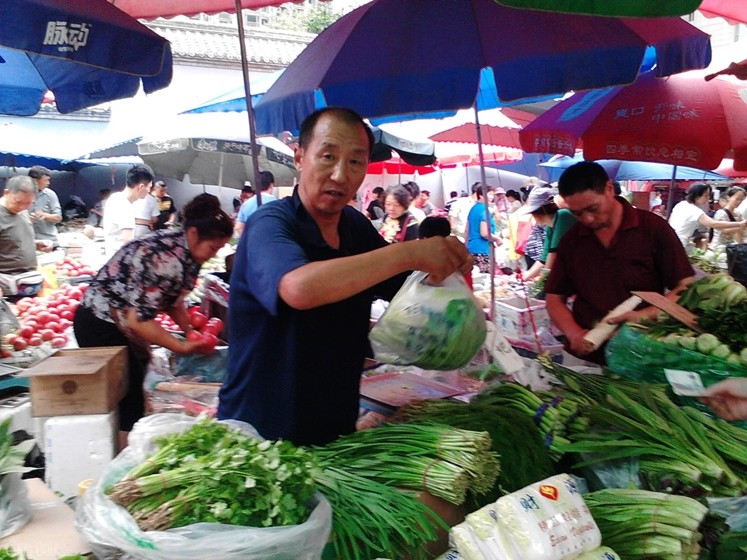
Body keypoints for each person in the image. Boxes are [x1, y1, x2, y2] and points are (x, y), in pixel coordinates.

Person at [218, 107, 472, 446]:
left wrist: (445, 269)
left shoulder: (354, 226)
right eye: (327, 156)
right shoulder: (271, 224)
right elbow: (298, 287)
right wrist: (410, 252)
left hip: (334, 427)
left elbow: (405, 288)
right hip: (261, 434)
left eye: (355, 162)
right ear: (299, 157)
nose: (340, 175)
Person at [74, 193, 233, 450]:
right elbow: (139, 321)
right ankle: (124, 461)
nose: (213, 253)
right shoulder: (167, 259)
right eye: (213, 248)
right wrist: (180, 346)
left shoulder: (186, 253)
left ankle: (126, 445)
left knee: (135, 385)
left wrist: (190, 330)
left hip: (120, 320)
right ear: (193, 233)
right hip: (100, 322)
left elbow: (173, 301)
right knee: (131, 396)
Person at [545, 161, 695, 365]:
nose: (587, 219)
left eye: (593, 208)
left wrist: (643, 316)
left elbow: (685, 287)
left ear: (609, 189)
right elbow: (554, 298)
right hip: (587, 356)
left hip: (642, 352)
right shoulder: (572, 240)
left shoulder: (653, 228)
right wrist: (574, 333)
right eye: (577, 213)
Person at [668, 183, 745, 253]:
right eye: (706, 195)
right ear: (697, 195)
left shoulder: (681, 204)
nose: (708, 198)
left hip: (671, 241)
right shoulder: (694, 210)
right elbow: (713, 224)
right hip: (680, 244)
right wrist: (739, 224)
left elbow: (670, 223)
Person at [0, 176, 52, 276]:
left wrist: (36, 244)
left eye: (28, 203)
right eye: (18, 202)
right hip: (6, 280)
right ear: (6, 193)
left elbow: (11, 239)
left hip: (27, 278)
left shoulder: (22, 211)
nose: (22, 207)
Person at [522, 186, 577, 281]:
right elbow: (544, 258)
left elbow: (553, 253)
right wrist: (527, 276)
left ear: (537, 212)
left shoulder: (563, 216)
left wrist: (543, 280)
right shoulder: (549, 226)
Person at [102, 164, 154, 257]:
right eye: (149, 187)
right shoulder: (125, 206)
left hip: (111, 257)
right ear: (141, 187)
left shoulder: (115, 197)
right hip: (120, 262)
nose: (149, 191)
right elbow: (128, 243)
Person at [465, 185, 500, 273]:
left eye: (493, 195)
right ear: (481, 195)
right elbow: (484, 233)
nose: (492, 197)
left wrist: (466, 246)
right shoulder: (485, 211)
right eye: (490, 194)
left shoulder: (473, 209)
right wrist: (497, 239)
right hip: (482, 250)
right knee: (484, 279)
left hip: (471, 248)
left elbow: (466, 230)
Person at [234, 170, 276, 238]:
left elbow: (238, 227)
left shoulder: (246, 204)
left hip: (251, 244)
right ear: (271, 185)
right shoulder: (278, 205)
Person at [28, 165, 61, 249]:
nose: (48, 183)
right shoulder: (22, 194)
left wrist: (45, 215)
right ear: (35, 180)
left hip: (49, 240)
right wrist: (26, 219)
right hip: (29, 241)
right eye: (46, 180)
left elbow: (58, 218)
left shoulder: (50, 194)